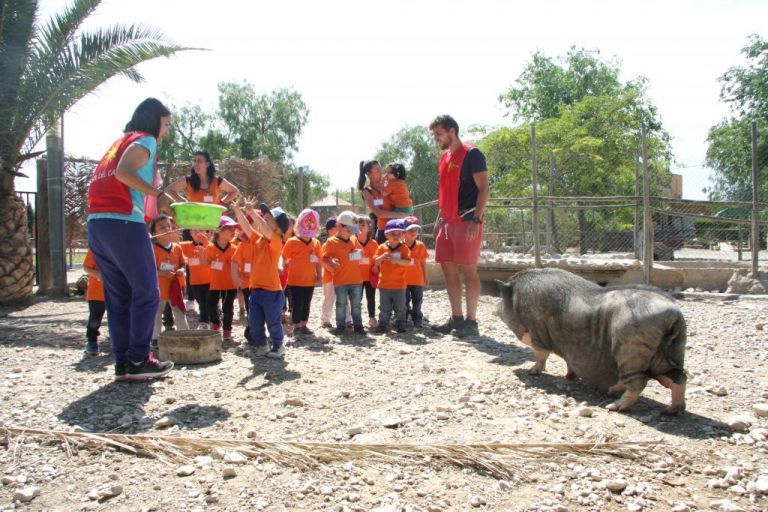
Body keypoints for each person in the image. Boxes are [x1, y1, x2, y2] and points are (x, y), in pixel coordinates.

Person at [86, 97, 174, 381]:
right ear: (153, 121)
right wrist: (157, 194)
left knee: (119, 296)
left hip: (99, 224)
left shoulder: (119, 142)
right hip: (124, 221)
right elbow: (125, 173)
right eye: (165, 124)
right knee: (147, 292)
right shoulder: (145, 140)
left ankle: (124, 362)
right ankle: (139, 358)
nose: (165, 131)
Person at [429, 114, 490, 338]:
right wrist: (438, 220)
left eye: (438, 134)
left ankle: (471, 322)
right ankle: (456, 318)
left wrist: (477, 218)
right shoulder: (444, 158)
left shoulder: (472, 154)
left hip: (467, 220)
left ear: (452, 131)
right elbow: (444, 193)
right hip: (447, 222)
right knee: (448, 269)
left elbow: (484, 188)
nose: (436, 138)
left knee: (468, 269)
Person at [231, 199, 291, 358]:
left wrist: (251, 212)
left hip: (272, 292)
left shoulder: (277, 242)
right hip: (256, 289)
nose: (264, 221)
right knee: (254, 324)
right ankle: (263, 345)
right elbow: (247, 228)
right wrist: (237, 210)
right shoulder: (259, 240)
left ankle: (278, 346)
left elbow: (263, 228)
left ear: (278, 229)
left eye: (268, 219)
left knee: (273, 323)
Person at [321, 211, 366, 336]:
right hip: (340, 280)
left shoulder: (353, 239)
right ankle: (340, 327)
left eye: (353, 230)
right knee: (341, 304)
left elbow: (362, 253)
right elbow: (324, 258)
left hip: (356, 280)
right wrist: (331, 261)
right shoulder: (331, 242)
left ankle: (358, 326)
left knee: (356, 305)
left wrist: (359, 252)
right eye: (350, 229)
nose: (352, 232)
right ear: (339, 226)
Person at [281, 208, 322, 336]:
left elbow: (318, 262)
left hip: (309, 280)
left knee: (306, 304)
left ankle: (304, 324)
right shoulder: (291, 242)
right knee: (296, 304)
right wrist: (284, 267)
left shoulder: (316, 243)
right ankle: (296, 325)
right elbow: (284, 258)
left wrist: (319, 275)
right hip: (294, 280)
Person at [149, 215, 188, 343]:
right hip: (158, 289)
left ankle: (185, 335)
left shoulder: (177, 247)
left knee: (179, 310)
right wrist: (162, 273)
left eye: (169, 227)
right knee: (156, 314)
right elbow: (147, 269)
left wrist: (182, 270)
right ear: (154, 233)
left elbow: (183, 263)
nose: (167, 229)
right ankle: (155, 338)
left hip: (174, 288)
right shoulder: (151, 249)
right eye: (162, 228)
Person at [203, 216, 239, 341]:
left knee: (228, 307)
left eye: (234, 228)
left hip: (230, 284)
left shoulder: (235, 248)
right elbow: (206, 263)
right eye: (229, 228)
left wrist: (233, 264)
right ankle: (215, 322)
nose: (233, 231)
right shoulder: (210, 247)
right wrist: (203, 256)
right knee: (210, 305)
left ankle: (227, 330)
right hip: (215, 283)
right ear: (219, 230)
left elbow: (239, 265)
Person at [373, 219, 411, 333]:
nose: (396, 236)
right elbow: (375, 262)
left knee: (400, 308)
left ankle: (401, 324)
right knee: (384, 308)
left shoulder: (404, 248)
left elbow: (408, 262)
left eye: (399, 233)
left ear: (403, 235)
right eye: (392, 234)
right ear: (386, 234)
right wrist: (382, 257)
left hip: (399, 285)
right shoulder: (381, 248)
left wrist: (397, 260)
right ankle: (383, 325)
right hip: (384, 284)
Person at [164, 151, 240, 205]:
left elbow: (235, 191)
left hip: (213, 220)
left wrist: (221, 203)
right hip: (194, 219)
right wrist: (184, 202)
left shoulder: (217, 180)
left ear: (207, 164)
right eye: (194, 161)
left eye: (199, 161)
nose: (196, 164)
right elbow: (168, 190)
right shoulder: (187, 180)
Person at [357, 160, 407, 244]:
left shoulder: (389, 184)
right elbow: (378, 213)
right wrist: (401, 215)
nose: (381, 172)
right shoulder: (367, 191)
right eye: (377, 170)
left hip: (399, 227)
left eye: (380, 169)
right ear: (369, 174)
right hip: (384, 230)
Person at [179, 230, 212, 329]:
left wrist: (206, 241)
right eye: (195, 231)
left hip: (210, 281)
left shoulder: (209, 245)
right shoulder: (187, 245)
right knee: (201, 302)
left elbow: (215, 251)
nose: (199, 233)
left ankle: (206, 320)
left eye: (202, 230)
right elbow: (174, 245)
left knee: (207, 302)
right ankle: (205, 321)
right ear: (190, 233)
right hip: (195, 282)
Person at [403, 216, 428, 328]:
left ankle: (417, 318)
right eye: (410, 230)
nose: (414, 232)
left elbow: (423, 262)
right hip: (403, 280)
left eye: (416, 230)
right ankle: (404, 317)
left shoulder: (420, 245)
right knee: (404, 301)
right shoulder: (400, 246)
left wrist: (425, 276)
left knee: (417, 301)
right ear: (404, 231)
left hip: (417, 279)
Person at [356, 216, 379, 328]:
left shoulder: (374, 243)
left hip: (370, 276)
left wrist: (375, 266)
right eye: (358, 224)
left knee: (371, 298)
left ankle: (372, 317)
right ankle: (357, 318)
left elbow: (377, 259)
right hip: (356, 277)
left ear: (369, 228)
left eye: (363, 225)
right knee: (357, 299)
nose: (360, 227)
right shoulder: (352, 241)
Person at [82, 249, 106, 356]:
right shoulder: (95, 249)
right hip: (96, 292)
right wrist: (98, 274)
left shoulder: (121, 248)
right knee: (95, 319)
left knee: (119, 318)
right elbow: (86, 267)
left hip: (116, 292)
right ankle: (92, 342)